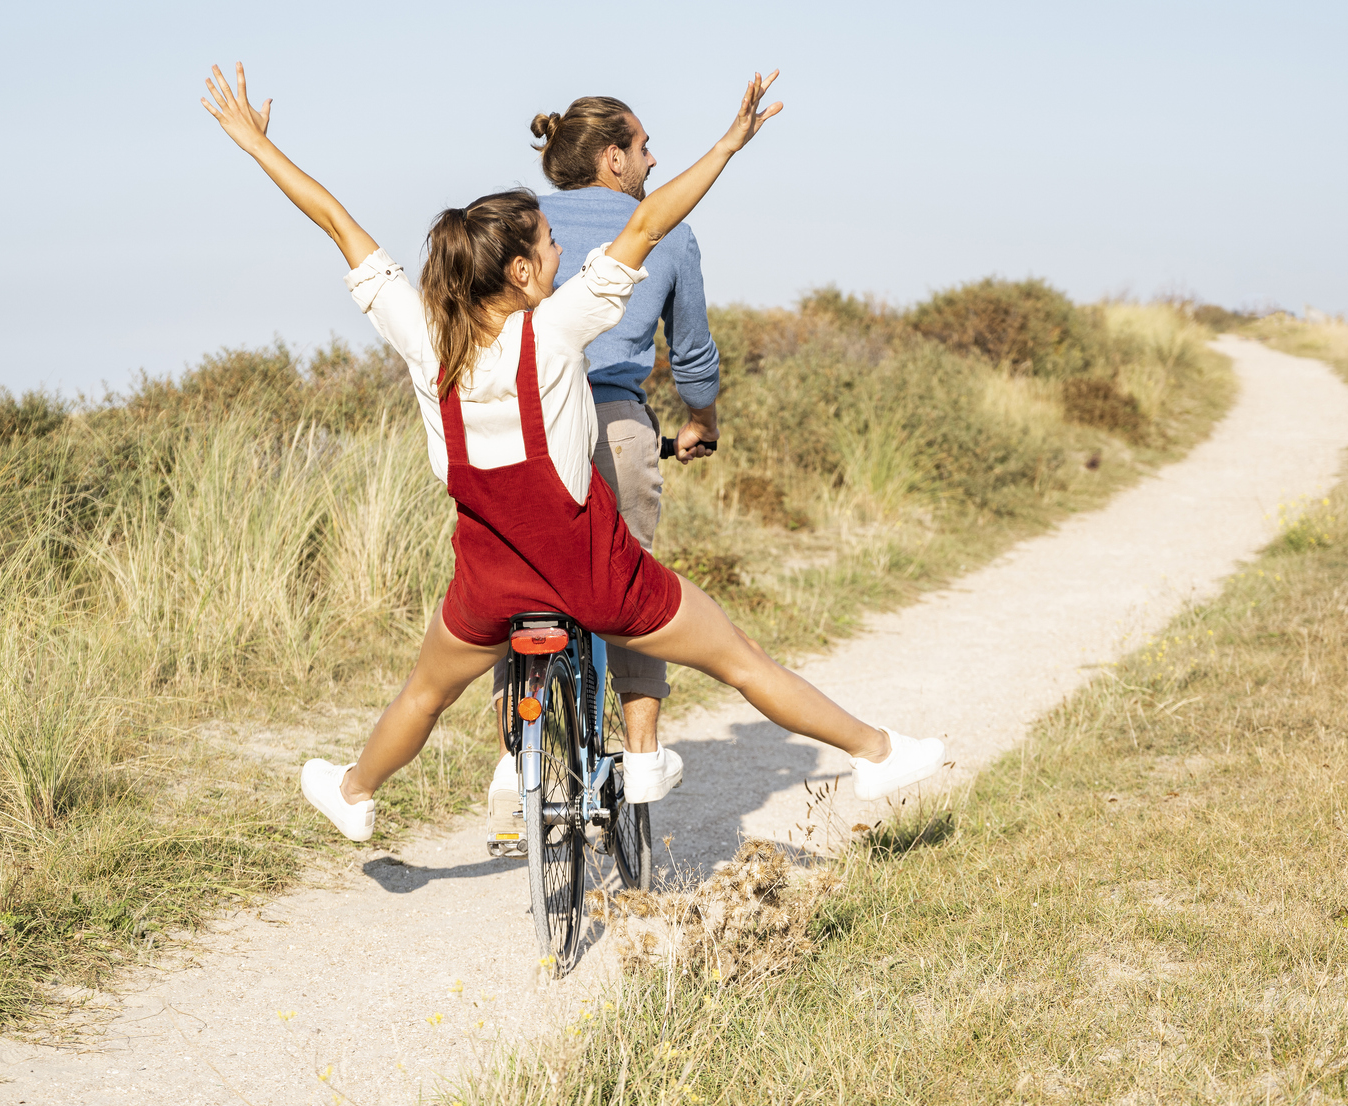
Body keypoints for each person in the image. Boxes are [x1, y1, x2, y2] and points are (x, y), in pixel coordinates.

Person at [200, 62, 944, 844]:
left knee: (422, 696)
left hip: (488, 586)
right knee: (742, 661)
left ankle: (355, 791)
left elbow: (337, 222)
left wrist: (256, 145)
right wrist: (728, 145)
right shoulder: (553, 331)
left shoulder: (422, 336)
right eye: (552, 246)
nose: (562, 253)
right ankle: (874, 752)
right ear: (522, 273)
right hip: (597, 576)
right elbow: (649, 223)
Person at [471, 97, 721, 839]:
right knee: (632, 585)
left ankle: (514, 763)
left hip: (517, 427)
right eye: (644, 147)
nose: (652, 161)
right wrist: (701, 421)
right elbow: (694, 356)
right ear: (612, 157)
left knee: (517, 581)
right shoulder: (665, 232)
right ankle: (641, 755)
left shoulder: (518, 226)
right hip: (614, 421)